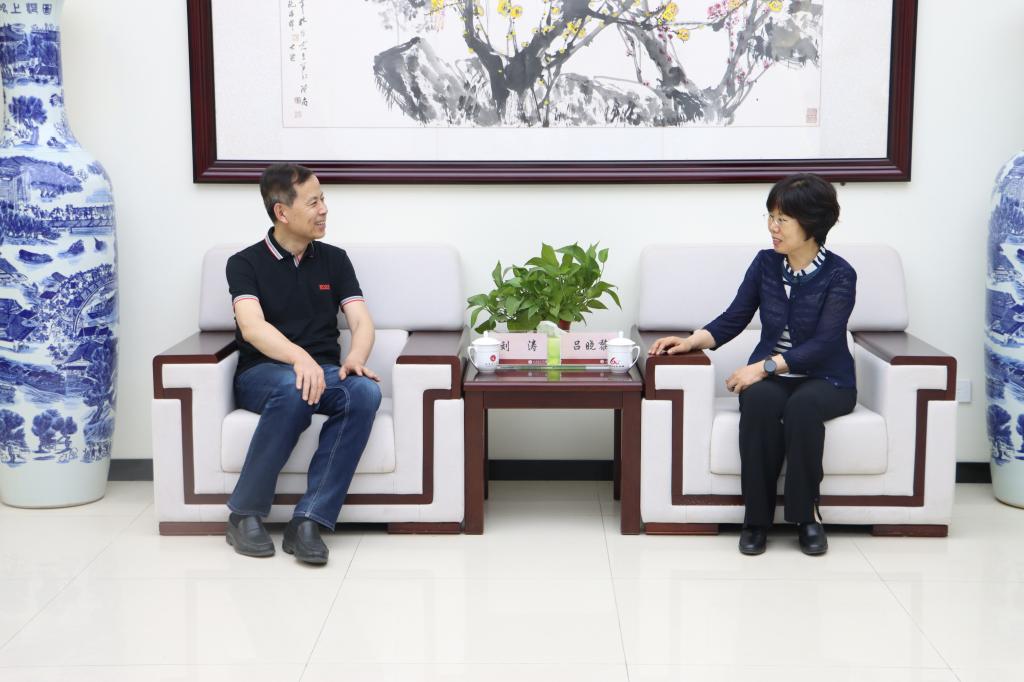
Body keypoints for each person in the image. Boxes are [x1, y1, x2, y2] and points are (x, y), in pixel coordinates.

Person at [648, 173, 857, 556]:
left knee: (802, 407)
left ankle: (807, 516)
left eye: (782, 219)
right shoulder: (765, 264)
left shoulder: (840, 274)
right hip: (774, 378)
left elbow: (825, 343)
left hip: (828, 379)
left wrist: (763, 367)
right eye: (770, 217)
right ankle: (756, 519)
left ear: (811, 224)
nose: (772, 227)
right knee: (759, 402)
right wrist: (691, 340)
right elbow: (735, 317)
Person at [224, 163, 382, 565]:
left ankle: (309, 520)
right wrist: (300, 358)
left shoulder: (334, 260)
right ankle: (244, 514)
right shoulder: (244, 263)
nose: (324, 209)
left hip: (323, 371)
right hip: (263, 373)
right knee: (294, 388)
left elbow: (361, 321)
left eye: (323, 199)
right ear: (282, 211)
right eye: (313, 202)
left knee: (364, 392)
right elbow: (252, 327)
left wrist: (356, 358)